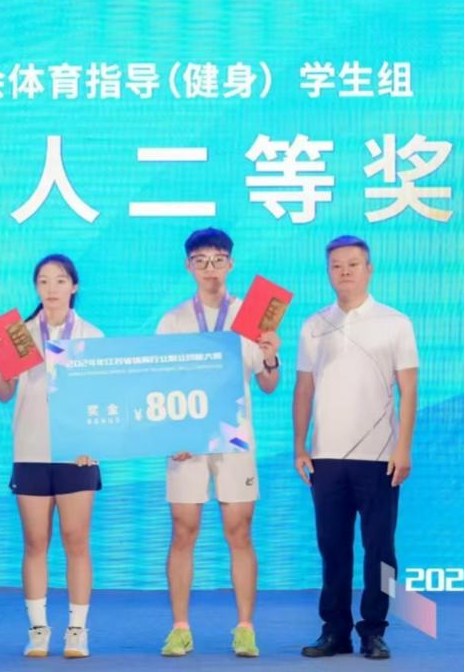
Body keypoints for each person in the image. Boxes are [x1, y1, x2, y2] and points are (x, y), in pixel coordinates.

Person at [156, 228, 281, 659]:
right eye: (201, 260)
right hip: (187, 441)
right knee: (183, 530)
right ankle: (180, 628)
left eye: (218, 259)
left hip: (235, 438)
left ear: (231, 263)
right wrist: (172, 435)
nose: (210, 268)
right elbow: (160, 384)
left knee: (239, 530)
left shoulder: (253, 316)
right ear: (188, 266)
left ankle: (245, 628)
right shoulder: (173, 320)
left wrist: (270, 354)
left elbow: (268, 384)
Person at [293, 235, 419, 660]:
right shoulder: (314, 324)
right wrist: (299, 446)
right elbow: (304, 389)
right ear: (328, 272)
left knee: (380, 549)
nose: (344, 271)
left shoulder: (395, 322)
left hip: (380, 457)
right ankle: (335, 630)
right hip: (326, 456)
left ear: (369, 269)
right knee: (332, 547)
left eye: (352, 264)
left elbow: (408, 390)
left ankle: (375, 630)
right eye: (336, 266)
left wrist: (403, 448)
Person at [0, 253, 103, 659]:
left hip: (76, 455)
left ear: (74, 286)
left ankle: (77, 630)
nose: (52, 288)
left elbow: (103, 400)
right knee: (35, 543)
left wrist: (92, 445)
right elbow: (4, 392)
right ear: (36, 287)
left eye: (60, 280)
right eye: (44, 281)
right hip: (31, 450)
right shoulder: (19, 335)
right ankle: (38, 629)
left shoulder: (92, 336)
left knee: (76, 541)